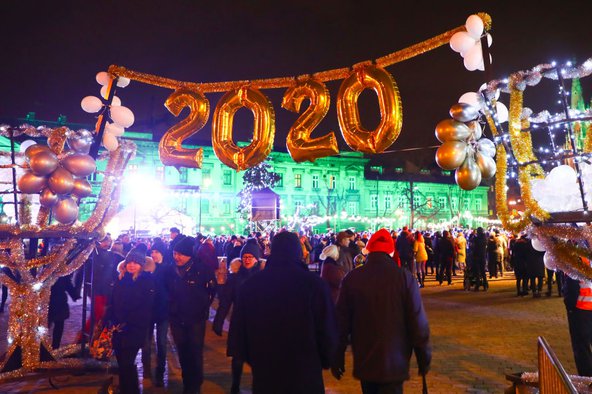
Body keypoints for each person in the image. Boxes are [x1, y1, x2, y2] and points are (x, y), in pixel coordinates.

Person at [228, 231, 337, 393]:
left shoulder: (251, 285)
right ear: (298, 252)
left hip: (266, 370)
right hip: (305, 371)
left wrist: (254, 359)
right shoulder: (315, 285)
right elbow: (326, 328)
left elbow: (239, 332)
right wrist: (326, 359)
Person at [332, 228, 431, 393]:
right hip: (395, 360)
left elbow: (341, 322)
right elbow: (417, 321)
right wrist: (423, 356)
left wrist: (337, 355)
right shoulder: (404, 278)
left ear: (369, 250)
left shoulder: (353, 279)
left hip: (366, 359)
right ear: (391, 251)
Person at [166, 236, 216, 394]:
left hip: (195, 319)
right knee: (182, 351)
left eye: (181, 254)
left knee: (194, 351)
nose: (177, 257)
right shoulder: (169, 270)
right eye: (175, 253)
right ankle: (187, 382)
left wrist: (202, 306)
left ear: (189, 255)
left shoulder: (202, 269)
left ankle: (195, 384)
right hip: (176, 318)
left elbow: (211, 291)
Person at [213, 238, 262, 394]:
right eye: (245, 257)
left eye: (250, 257)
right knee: (238, 356)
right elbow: (226, 301)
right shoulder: (234, 278)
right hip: (239, 321)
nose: (247, 260)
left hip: (257, 323)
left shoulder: (263, 277)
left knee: (257, 357)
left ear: (256, 259)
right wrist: (218, 320)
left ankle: (258, 386)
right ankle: (235, 385)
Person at [109, 250, 155, 394]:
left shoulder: (145, 281)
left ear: (141, 265)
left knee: (127, 362)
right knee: (123, 364)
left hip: (134, 328)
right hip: (117, 328)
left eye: (136, 262)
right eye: (129, 262)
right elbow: (113, 302)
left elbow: (144, 307)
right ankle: (127, 389)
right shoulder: (120, 278)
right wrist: (111, 320)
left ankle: (130, 390)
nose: (132, 265)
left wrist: (128, 322)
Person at [142, 241, 172, 386]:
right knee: (146, 342)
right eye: (152, 251)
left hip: (162, 309)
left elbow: (171, 289)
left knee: (161, 342)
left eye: (157, 251)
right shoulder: (147, 266)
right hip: (147, 310)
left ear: (162, 253)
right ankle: (146, 369)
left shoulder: (167, 268)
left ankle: (160, 370)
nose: (154, 254)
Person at [563, 258, 592, 376]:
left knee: (581, 347)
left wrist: (570, 306)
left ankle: (588, 379)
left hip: (581, 308)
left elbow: (571, 286)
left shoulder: (575, 259)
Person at [48, 274, 78, 349]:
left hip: (52, 300)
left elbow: (67, 282)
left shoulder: (47, 267)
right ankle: (54, 347)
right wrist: (74, 294)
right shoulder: (61, 271)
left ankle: (51, 346)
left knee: (53, 324)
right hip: (57, 301)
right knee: (57, 325)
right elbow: (67, 283)